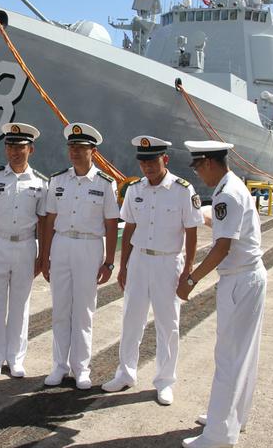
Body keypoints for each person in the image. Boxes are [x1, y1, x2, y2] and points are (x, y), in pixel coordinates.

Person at [177, 140, 267, 448]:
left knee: (229, 356)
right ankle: (231, 418)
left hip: (239, 280)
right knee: (243, 354)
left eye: (199, 167)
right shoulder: (232, 186)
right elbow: (223, 221)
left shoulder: (226, 192)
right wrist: (198, 213)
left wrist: (191, 279)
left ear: (209, 163)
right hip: (248, 277)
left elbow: (222, 246)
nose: (199, 174)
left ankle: (217, 436)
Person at [101, 136, 202, 405]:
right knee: (131, 319)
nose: (147, 167)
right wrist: (123, 265)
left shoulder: (183, 190)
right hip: (139, 261)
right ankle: (125, 373)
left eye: (152, 161)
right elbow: (130, 227)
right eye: (143, 162)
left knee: (168, 324)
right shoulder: (135, 190)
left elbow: (192, 231)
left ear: (165, 160)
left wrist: (188, 270)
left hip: (168, 263)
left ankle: (165, 381)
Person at [39, 122, 119, 390]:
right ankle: (59, 365)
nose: (74, 152)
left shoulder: (106, 184)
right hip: (62, 245)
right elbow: (50, 220)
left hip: (89, 247)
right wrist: (45, 256)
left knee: (84, 311)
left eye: (80, 147)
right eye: (72, 147)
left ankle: (81, 368)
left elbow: (111, 223)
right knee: (61, 309)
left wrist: (109, 261)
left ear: (92, 151)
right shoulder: (58, 180)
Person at [0, 122, 48, 378]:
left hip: (24, 245)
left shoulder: (41, 183)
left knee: (20, 304)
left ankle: (16, 358)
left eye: (20, 147)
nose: (14, 151)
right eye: (10, 146)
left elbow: (43, 222)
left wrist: (42, 256)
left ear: (30, 149)